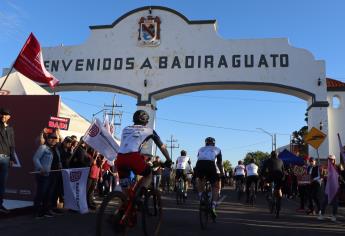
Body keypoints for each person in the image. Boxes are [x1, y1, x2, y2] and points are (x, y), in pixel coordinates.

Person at [115, 110, 171, 197]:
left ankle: (125, 205)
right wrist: (169, 159)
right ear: (146, 122)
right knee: (148, 174)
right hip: (133, 157)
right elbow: (162, 147)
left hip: (120, 158)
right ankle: (140, 196)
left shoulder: (125, 129)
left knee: (125, 188)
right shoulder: (149, 130)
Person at [195, 137, 224, 218]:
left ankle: (201, 196)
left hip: (200, 164)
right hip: (210, 165)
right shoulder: (217, 149)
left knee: (200, 179)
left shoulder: (201, 149)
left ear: (206, 143)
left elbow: (199, 158)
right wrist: (221, 173)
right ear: (214, 143)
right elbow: (219, 163)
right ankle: (213, 205)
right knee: (216, 186)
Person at [32, 133, 58, 218]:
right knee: (41, 193)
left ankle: (45, 211)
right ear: (47, 139)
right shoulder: (43, 147)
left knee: (48, 194)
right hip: (43, 174)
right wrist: (40, 168)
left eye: (55, 138)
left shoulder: (55, 149)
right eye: (51, 138)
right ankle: (36, 212)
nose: (53, 139)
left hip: (52, 174)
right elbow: (35, 158)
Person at [0, 108, 15, 214]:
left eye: (6, 115)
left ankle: (0, 205)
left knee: (2, 183)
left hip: (5, 158)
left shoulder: (10, 129)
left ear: (9, 117)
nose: (3, 116)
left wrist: (12, 158)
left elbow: (12, 145)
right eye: (2, 114)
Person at [262, 150, 285, 217]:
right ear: (277, 155)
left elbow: (263, 170)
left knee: (266, 188)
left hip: (270, 177)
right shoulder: (281, 161)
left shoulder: (267, 160)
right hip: (279, 178)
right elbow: (283, 171)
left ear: (271, 155)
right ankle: (279, 201)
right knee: (279, 191)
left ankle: (269, 198)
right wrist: (283, 178)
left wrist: (263, 176)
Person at [318, 155, 340, 221]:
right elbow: (322, 177)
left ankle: (334, 215)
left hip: (335, 187)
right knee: (324, 201)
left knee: (335, 202)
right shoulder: (325, 167)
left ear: (334, 160)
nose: (330, 161)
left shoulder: (337, 167)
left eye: (331, 159)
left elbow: (340, 175)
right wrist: (321, 171)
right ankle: (322, 214)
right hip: (328, 187)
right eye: (329, 159)